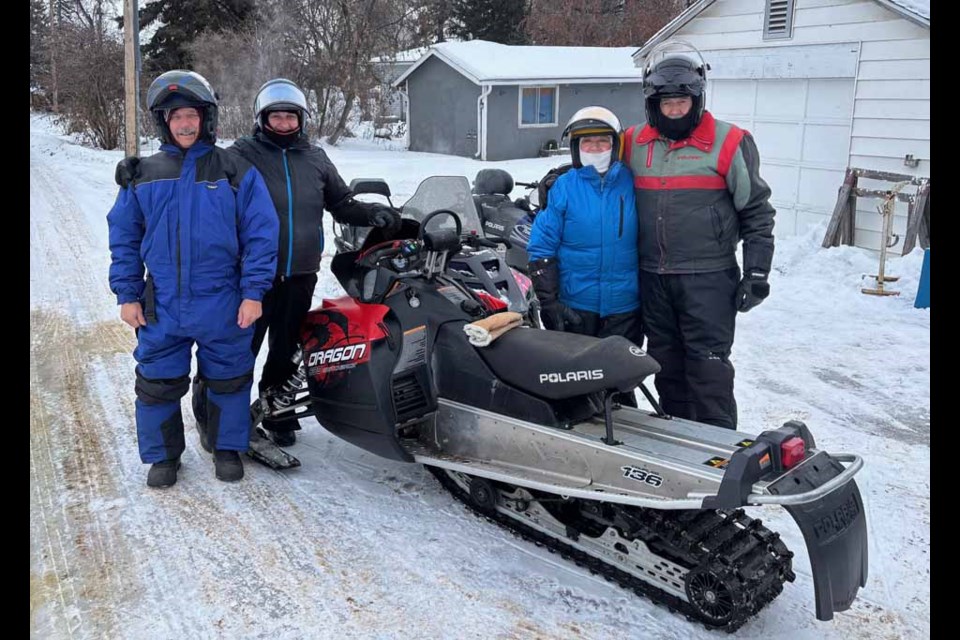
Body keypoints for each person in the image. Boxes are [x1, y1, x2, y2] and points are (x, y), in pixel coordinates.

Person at [118, 78, 401, 449]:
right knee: (237, 352)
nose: (283, 124)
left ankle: (276, 411)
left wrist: (371, 213)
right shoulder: (244, 153)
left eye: (290, 117)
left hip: (299, 271)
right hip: (249, 275)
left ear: (302, 118)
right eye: (276, 117)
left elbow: (341, 202)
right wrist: (136, 168)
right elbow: (201, 158)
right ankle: (214, 420)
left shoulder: (315, 158)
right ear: (261, 119)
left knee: (285, 349)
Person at [107, 70, 279, 487]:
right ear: (164, 122)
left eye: (191, 115)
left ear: (206, 119)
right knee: (156, 383)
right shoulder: (142, 175)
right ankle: (164, 457)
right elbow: (125, 239)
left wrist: (253, 293)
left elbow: (261, 235)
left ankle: (226, 448)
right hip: (162, 303)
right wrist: (127, 295)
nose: (184, 124)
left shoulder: (235, 171)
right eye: (175, 116)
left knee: (229, 378)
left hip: (222, 298)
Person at [622, 43, 776, 429]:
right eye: (667, 102)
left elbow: (757, 211)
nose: (674, 110)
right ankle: (679, 447)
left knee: (708, 370)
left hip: (707, 278)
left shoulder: (729, 141)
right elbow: (597, 168)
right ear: (652, 102)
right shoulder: (632, 142)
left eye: (682, 102)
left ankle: (721, 453)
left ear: (698, 99)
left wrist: (757, 272)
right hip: (652, 277)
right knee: (667, 366)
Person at [527, 106, 642, 405]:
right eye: (587, 143)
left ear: (615, 145)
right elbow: (541, 246)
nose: (595, 148)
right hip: (577, 307)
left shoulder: (634, 183)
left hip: (624, 308)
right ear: (576, 149)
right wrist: (550, 301)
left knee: (620, 383)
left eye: (602, 141)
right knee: (578, 386)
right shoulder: (564, 187)